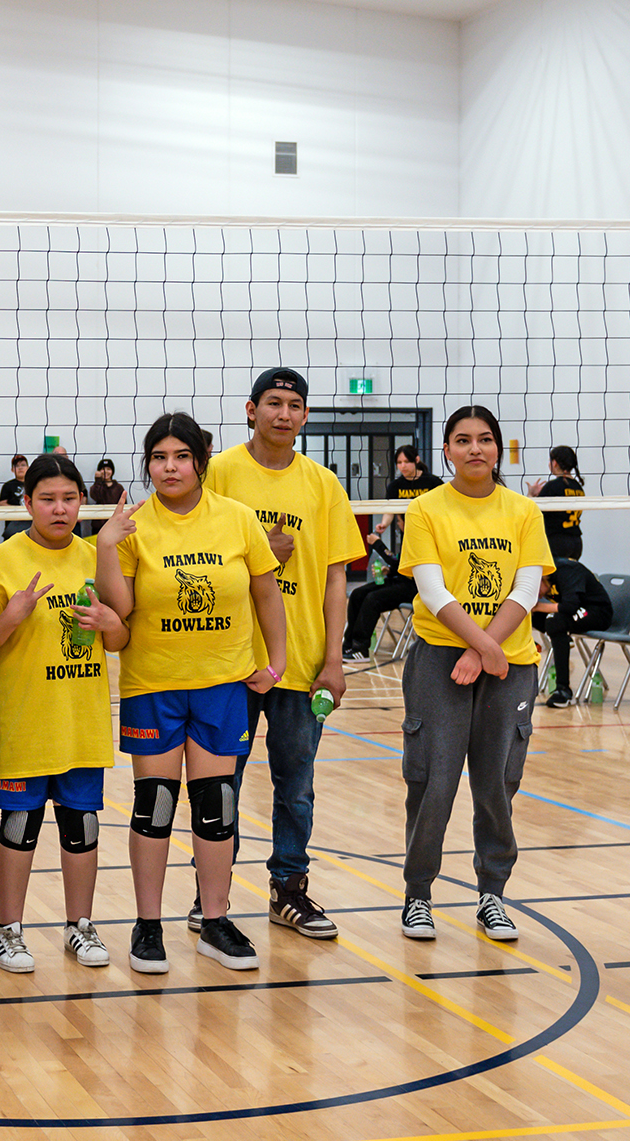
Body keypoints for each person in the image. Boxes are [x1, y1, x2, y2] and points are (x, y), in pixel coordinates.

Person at [93, 412, 285, 975]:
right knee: (154, 806)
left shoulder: (238, 519)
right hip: (154, 684)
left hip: (223, 683)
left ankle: (215, 920)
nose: (169, 467)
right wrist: (107, 546)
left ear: (200, 461)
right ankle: (147, 925)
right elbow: (118, 613)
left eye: (180, 456)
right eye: (158, 457)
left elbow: (267, 596)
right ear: (147, 463)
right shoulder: (133, 525)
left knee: (216, 807)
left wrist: (275, 664)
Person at [203, 368, 364, 940]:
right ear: (251, 409)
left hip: (301, 663)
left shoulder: (323, 485)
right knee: (221, 779)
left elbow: (335, 578)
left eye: (295, 405)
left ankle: (288, 890)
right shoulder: (218, 471)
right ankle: (211, 895)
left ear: (305, 415)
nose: (284, 414)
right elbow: (190, 545)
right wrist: (254, 552)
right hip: (231, 661)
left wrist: (333, 660)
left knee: (295, 784)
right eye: (274, 403)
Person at [396, 406, 553, 942]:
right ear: (446, 450)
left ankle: (493, 894)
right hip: (444, 657)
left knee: (496, 783)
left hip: (509, 665)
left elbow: (527, 591)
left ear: (498, 448)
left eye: (486, 440)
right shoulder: (425, 509)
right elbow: (432, 590)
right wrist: (482, 646)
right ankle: (419, 896)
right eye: (463, 440)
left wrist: (485, 650)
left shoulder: (523, 511)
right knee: (433, 781)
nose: (476, 449)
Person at [0, 454, 125, 972]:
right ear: (27, 501)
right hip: (23, 723)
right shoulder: (6, 557)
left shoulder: (96, 557)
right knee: (20, 826)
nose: (59, 509)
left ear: (82, 500)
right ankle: (7, 929)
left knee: (82, 826)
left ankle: (79, 925)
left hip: (81, 722)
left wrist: (108, 621)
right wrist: (11, 616)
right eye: (47, 499)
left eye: (69, 498)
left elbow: (122, 638)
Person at [344, 446, 443, 662]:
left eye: (406, 462)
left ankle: (361, 649)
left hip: (417, 582)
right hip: (402, 573)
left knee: (372, 599)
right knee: (359, 594)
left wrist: (379, 546)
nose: (402, 467)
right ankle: (349, 646)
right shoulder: (396, 486)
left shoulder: (433, 483)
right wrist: (384, 524)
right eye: (398, 463)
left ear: (416, 460)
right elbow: (390, 508)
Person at [531, 558, 612, 708]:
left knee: (554, 622)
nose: (538, 596)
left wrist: (537, 606)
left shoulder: (567, 571)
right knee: (536, 618)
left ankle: (563, 691)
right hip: (575, 612)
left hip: (597, 611)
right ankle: (563, 639)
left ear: (541, 578)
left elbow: (570, 606)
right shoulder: (546, 581)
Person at [528, 446, 584, 561]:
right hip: (576, 543)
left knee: (553, 578)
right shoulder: (578, 487)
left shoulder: (553, 486)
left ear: (554, 463)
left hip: (556, 543)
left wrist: (531, 495)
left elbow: (531, 511)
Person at [86, 459, 125, 538]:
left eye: (108, 469)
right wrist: (98, 480)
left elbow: (124, 505)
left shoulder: (118, 488)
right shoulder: (97, 486)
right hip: (98, 526)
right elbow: (95, 496)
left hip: (114, 525)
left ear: (112, 471)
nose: (105, 471)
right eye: (102, 469)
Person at [0, 454, 30, 539]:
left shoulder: (33, 484)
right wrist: (17, 510)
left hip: (31, 521)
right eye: (17, 466)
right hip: (13, 523)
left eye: (23, 465)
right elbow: (2, 504)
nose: (20, 468)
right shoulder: (8, 485)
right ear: (12, 470)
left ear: (28, 467)